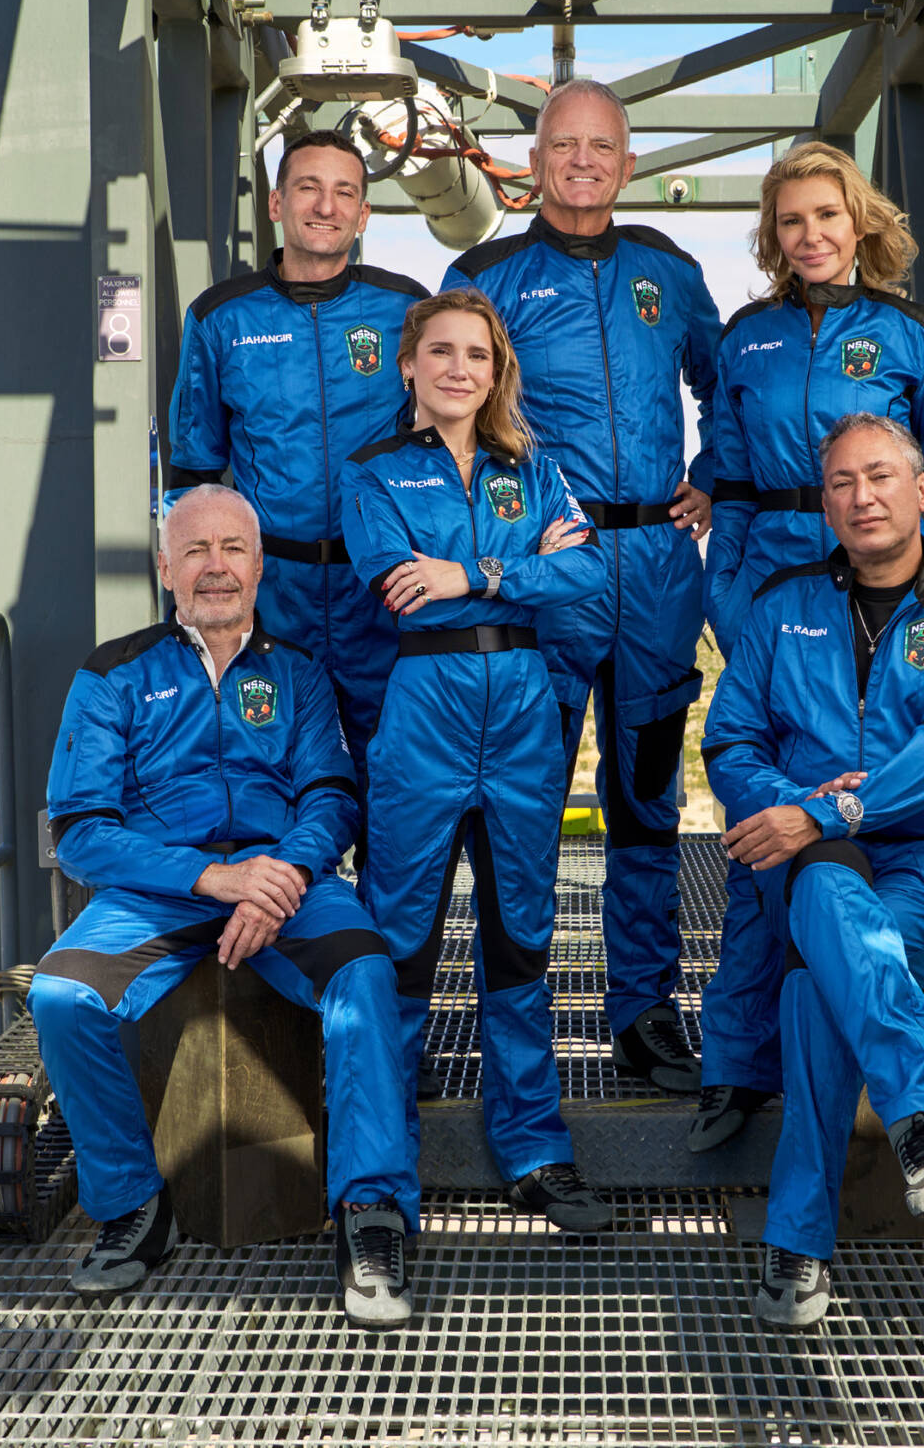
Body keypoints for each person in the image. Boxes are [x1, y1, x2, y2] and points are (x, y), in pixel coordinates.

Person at [27, 485, 420, 1330]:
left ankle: (371, 1217)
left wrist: (280, 872)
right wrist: (208, 880)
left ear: (259, 564)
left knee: (365, 976)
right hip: (161, 890)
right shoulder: (112, 673)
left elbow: (330, 795)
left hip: (285, 881)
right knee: (61, 997)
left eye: (233, 549)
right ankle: (134, 1205)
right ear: (165, 568)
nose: (216, 567)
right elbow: (82, 830)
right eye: (196, 551)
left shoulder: (297, 671)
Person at [692, 139, 924, 1154]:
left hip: (892, 594)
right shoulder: (747, 338)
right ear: (770, 237)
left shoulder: (910, 333)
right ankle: (732, 1065)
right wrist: (727, 602)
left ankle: (847, 1062)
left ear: (857, 222)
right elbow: (723, 480)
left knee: (844, 829)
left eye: (825, 215)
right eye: (788, 220)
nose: (808, 234)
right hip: (774, 593)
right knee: (761, 833)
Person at [701, 412, 924, 1331]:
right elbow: (731, 739)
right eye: (841, 482)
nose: (862, 496)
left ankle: (799, 1247)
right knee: (833, 915)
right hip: (816, 860)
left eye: (881, 477)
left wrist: (830, 808)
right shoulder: (782, 602)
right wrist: (797, 807)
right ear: (825, 503)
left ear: (923, 492)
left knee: (818, 984)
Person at [443, 79, 720, 1094]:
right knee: (518, 803)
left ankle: (644, 1008)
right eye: (563, 146)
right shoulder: (488, 274)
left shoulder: (668, 271)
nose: (581, 162)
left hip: (654, 571)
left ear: (627, 162)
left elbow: (723, 381)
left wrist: (714, 469)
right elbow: (449, 406)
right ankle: (514, 1018)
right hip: (547, 578)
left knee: (645, 799)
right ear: (532, 161)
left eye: (600, 146)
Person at [339, 286, 615, 1232]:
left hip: (525, 720)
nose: (461, 369)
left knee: (518, 939)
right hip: (423, 716)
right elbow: (398, 591)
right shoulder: (372, 473)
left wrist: (477, 573)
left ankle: (534, 1146)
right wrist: (517, 578)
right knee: (402, 945)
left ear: (499, 373)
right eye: (443, 351)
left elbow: (587, 573)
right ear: (408, 363)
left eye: (480, 356)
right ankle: (381, 1163)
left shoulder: (534, 469)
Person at [165, 129, 428, 802]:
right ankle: (284, 909)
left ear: (364, 214)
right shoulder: (222, 317)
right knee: (267, 780)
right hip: (273, 593)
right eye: (309, 187)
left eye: (345, 192)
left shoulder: (406, 310)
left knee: (392, 786)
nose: (326, 206)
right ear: (278, 203)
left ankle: (376, 914)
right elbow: (194, 476)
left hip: (383, 590)